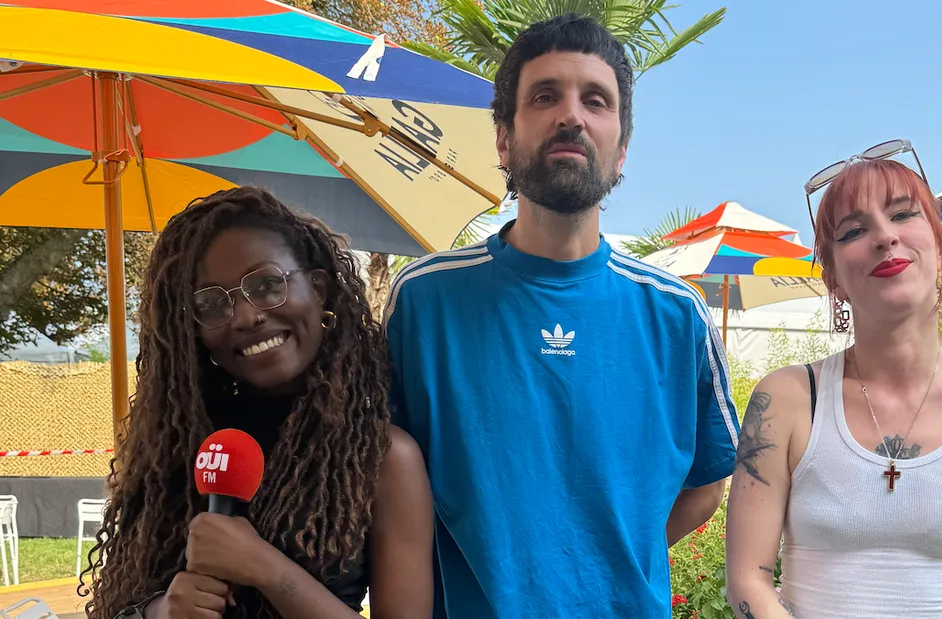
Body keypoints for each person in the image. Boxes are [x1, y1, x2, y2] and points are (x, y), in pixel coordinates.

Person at [385, 13, 738, 619]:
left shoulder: (679, 316)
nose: (570, 115)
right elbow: (378, 474)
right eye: (544, 96)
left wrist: (608, 566)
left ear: (621, 147)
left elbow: (709, 483)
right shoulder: (423, 301)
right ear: (503, 136)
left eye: (595, 100)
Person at [724, 149, 942, 618]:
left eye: (903, 214)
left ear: (940, 246)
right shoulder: (786, 400)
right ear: (833, 277)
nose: (885, 236)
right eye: (854, 231)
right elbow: (747, 580)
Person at [80, 187, 434, 619]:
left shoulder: (384, 458)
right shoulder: (174, 443)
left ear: (318, 290)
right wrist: (159, 611)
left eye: (267, 284)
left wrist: (266, 569)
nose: (246, 316)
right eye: (212, 303)